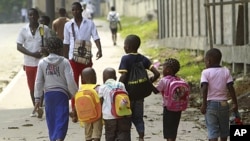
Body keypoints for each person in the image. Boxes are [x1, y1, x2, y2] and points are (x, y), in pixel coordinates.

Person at [34, 37, 78, 141]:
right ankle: (59, 138)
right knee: (62, 118)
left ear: (48, 49)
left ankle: (54, 138)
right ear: (61, 49)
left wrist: (37, 98)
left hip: (48, 95)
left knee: (51, 119)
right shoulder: (65, 62)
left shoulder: (42, 63)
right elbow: (70, 81)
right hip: (61, 95)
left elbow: (38, 81)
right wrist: (75, 94)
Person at [63, 1, 102, 118]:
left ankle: (87, 107)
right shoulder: (68, 25)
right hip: (73, 59)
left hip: (86, 59)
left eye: (77, 9)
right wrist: (65, 58)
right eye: (73, 10)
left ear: (81, 10)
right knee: (73, 84)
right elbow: (66, 42)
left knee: (87, 84)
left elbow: (95, 36)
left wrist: (100, 49)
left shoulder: (89, 23)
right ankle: (74, 109)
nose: (75, 12)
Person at [118, 34, 160, 141]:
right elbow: (157, 74)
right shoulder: (143, 58)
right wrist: (149, 81)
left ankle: (126, 138)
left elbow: (124, 76)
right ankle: (141, 137)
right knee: (138, 118)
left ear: (127, 47)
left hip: (127, 96)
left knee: (125, 117)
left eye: (124, 45)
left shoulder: (125, 59)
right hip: (140, 96)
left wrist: (117, 88)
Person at [16, 8, 51, 113]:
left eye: (34, 15)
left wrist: (45, 51)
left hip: (42, 62)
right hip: (29, 63)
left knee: (43, 85)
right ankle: (36, 107)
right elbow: (19, 46)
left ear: (38, 16)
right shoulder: (23, 30)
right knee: (32, 86)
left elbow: (49, 43)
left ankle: (40, 104)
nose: (32, 17)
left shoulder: (44, 29)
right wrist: (32, 54)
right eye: (30, 15)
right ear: (28, 16)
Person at [200, 48, 238, 141]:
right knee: (224, 130)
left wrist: (204, 104)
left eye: (205, 60)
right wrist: (235, 103)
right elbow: (231, 88)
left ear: (209, 61)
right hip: (224, 104)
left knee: (212, 130)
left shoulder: (205, 72)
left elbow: (204, 88)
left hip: (210, 104)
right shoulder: (226, 71)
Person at [99, 67, 131, 141]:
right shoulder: (121, 85)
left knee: (110, 135)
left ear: (103, 79)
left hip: (109, 116)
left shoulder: (103, 87)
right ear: (116, 77)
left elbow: (100, 100)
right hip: (122, 114)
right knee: (124, 134)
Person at [155, 58, 183, 141]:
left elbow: (156, 91)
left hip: (168, 108)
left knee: (168, 130)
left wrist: (149, 83)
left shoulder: (164, 80)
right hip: (178, 108)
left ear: (168, 70)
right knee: (174, 129)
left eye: (163, 68)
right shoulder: (179, 79)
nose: (162, 70)